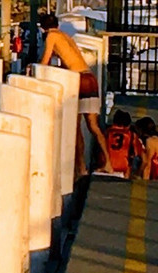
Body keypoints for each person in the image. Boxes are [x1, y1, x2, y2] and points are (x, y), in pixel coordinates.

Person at [38, 13, 113, 174]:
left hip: (78, 80)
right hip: (89, 77)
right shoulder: (65, 35)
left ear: (43, 27)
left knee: (76, 126)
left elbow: (45, 61)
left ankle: (81, 168)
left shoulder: (51, 36)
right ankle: (108, 162)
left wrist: (33, 70)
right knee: (93, 126)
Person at [104, 109, 138, 177]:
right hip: (123, 167)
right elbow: (134, 154)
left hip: (107, 165)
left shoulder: (107, 132)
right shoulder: (131, 135)